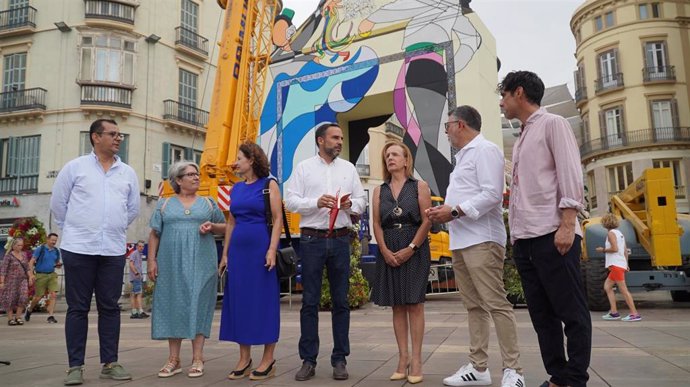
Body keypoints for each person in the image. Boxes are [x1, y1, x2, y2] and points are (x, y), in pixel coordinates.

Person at [500, 71, 590, 387]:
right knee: (543, 317)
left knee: (572, 313)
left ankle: (575, 379)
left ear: (519, 93)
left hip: (552, 234)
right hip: (526, 240)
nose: (501, 102)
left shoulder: (553, 124)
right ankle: (559, 377)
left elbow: (570, 174)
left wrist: (567, 224)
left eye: (504, 95)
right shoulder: (523, 134)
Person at [427, 106, 525, 387]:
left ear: (460, 124)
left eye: (447, 126)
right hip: (461, 240)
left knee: (496, 303)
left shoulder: (485, 150)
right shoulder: (464, 157)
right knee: (474, 306)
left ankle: (514, 370)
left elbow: (493, 194)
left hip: (482, 239)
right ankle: (479, 368)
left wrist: (454, 212)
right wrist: (444, 211)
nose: (446, 132)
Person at [51, 118, 140, 385]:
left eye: (120, 134)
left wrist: (111, 230)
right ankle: (75, 366)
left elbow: (132, 209)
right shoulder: (75, 168)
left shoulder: (128, 173)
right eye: (112, 134)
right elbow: (58, 204)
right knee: (77, 308)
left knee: (110, 308)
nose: (118, 138)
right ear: (95, 137)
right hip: (78, 248)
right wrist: (79, 229)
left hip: (112, 249)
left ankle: (110, 363)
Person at [285, 122, 366, 381]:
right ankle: (308, 360)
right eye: (334, 137)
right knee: (309, 301)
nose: (340, 141)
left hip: (341, 239)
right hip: (312, 240)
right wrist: (315, 202)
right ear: (321, 141)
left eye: (341, 137)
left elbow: (362, 203)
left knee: (341, 302)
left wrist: (351, 204)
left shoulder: (349, 168)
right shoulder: (304, 168)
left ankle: (340, 359)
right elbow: (290, 201)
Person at [147, 161, 226, 379]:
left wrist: (212, 227)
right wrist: (151, 260)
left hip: (202, 262)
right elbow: (154, 234)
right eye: (190, 174)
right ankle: (174, 359)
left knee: (198, 305)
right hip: (170, 263)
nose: (196, 177)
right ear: (178, 180)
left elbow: (226, 227)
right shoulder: (164, 204)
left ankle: (198, 358)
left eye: (196, 174)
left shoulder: (209, 203)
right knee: (174, 304)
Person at [219, 142, 282, 381]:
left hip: (260, 249)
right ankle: (244, 358)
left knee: (263, 302)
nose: (236, 161)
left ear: (251, 160)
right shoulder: (235, 189)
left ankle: (269, 358)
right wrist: (225, 254)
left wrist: (271, 249)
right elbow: (231, 223)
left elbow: (277, 219)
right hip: (238, 252)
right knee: (239, 302)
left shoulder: (269, 185)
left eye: (239, 157)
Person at [371, 140, 431, 385]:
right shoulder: (379, 190)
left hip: (414, 245)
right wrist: (384, 250)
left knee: (414, 304)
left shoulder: (420, 186)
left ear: (406, 160)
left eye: (395, 154)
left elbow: (427, 221)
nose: (390, 158)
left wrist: (411, 248)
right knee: (397, 305)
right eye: (387, 156)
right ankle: (402, 358)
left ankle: (416, 360)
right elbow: (376, 223)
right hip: (389, 245)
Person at [597, 213, 641, 322]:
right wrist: (626, 264)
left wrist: (602, 250)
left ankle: (634, 314)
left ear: (605, 223)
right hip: (620, 264)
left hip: (616, 265)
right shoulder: (620, 233)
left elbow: (615, 249)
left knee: (624, 290)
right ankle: (613, 312)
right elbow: (625, 251)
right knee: (607, 287)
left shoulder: (611, 234)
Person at [25, 232, 62, 324]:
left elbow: (56, 264)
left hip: (52, 274)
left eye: (55, 241)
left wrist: (58, 265)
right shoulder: (40, 249)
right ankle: (29, 309)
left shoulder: (56, 251)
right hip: (40, 275)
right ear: (47, 239)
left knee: (53, 294)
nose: (54, 242)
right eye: (52, 240)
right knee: (38, 297)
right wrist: (31, 275)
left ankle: (50, 316)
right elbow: (31, 262)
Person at [0, 237, 34, 326]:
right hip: (10, 281)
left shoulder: (23, 255)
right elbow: (3, 270)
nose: (20, 247)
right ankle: (10, 319)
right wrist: (2, 282)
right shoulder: (8, 256)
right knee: (10, 299)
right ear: (13, 246)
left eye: (21, 245)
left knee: (23, 298)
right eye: (18, 245)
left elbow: (27, 267)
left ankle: (18, 317)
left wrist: (30, 277)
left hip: (22, 280)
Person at [127, 241, 148, 319]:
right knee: (138, 294)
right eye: (139, 246)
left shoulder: (139, 254)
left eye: (142, 246)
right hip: (136, 277)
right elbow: (131, 263)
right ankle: (140, 311)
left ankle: (134, 312)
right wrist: (136, 273)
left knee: (133, 294)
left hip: (137, 277)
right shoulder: (134, 253)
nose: (141, 248)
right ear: (136, 246)